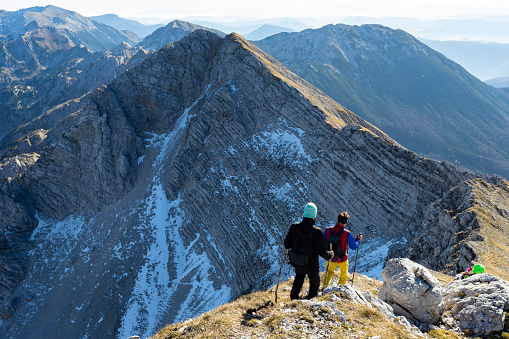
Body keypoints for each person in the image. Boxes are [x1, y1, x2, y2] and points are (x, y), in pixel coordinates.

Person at [284, 202, 333, 300]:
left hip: (298, 261)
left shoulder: (294, 227)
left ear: (304, 214)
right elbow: (322, 251)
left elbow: (287, 244)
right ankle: (311, 299)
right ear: (314, 216)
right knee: (315, 282)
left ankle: (293, 299)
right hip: (312, 264)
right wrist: (330, 255)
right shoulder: (317, 232)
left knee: (299, 277)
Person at [323, 211, 363, 288]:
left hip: (330, 257)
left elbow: (323, 242)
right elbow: (353, 246)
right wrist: (358, 240)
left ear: (338, 220)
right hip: (342, 259)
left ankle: (324, 287)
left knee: (329, 272)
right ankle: (339, 289)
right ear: (346, 222)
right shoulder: (347, 233)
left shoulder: (328, 230)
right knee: (344, 274)